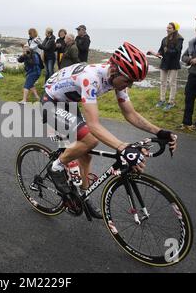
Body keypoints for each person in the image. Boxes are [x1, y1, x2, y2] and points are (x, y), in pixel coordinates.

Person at [41, 42, 177, 218]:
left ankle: (83, 194)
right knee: (90, 139)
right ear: (114, 69)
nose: (130, 85)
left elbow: (130, 113)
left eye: (133, 82)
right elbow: (94, 126)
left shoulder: (117, 77)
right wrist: (122, 147)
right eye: (128, 80)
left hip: (69, 102)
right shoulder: (91, 78)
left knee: (86, 152)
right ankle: (56, 167)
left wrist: (159, 132)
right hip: (51, 101)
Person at [148, 22, 184, 111]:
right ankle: (162, 100)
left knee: (172, 83)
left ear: (175, 29)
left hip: (173, 64)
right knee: (162, 82)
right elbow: (161, 50)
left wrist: (167, 50)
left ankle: (171, 102)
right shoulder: (164, 39)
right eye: (167, 28)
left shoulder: (179, 39)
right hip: (164, 63)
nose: (167, 29)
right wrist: (156, 53)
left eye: (170, 28)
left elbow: (177, 51)